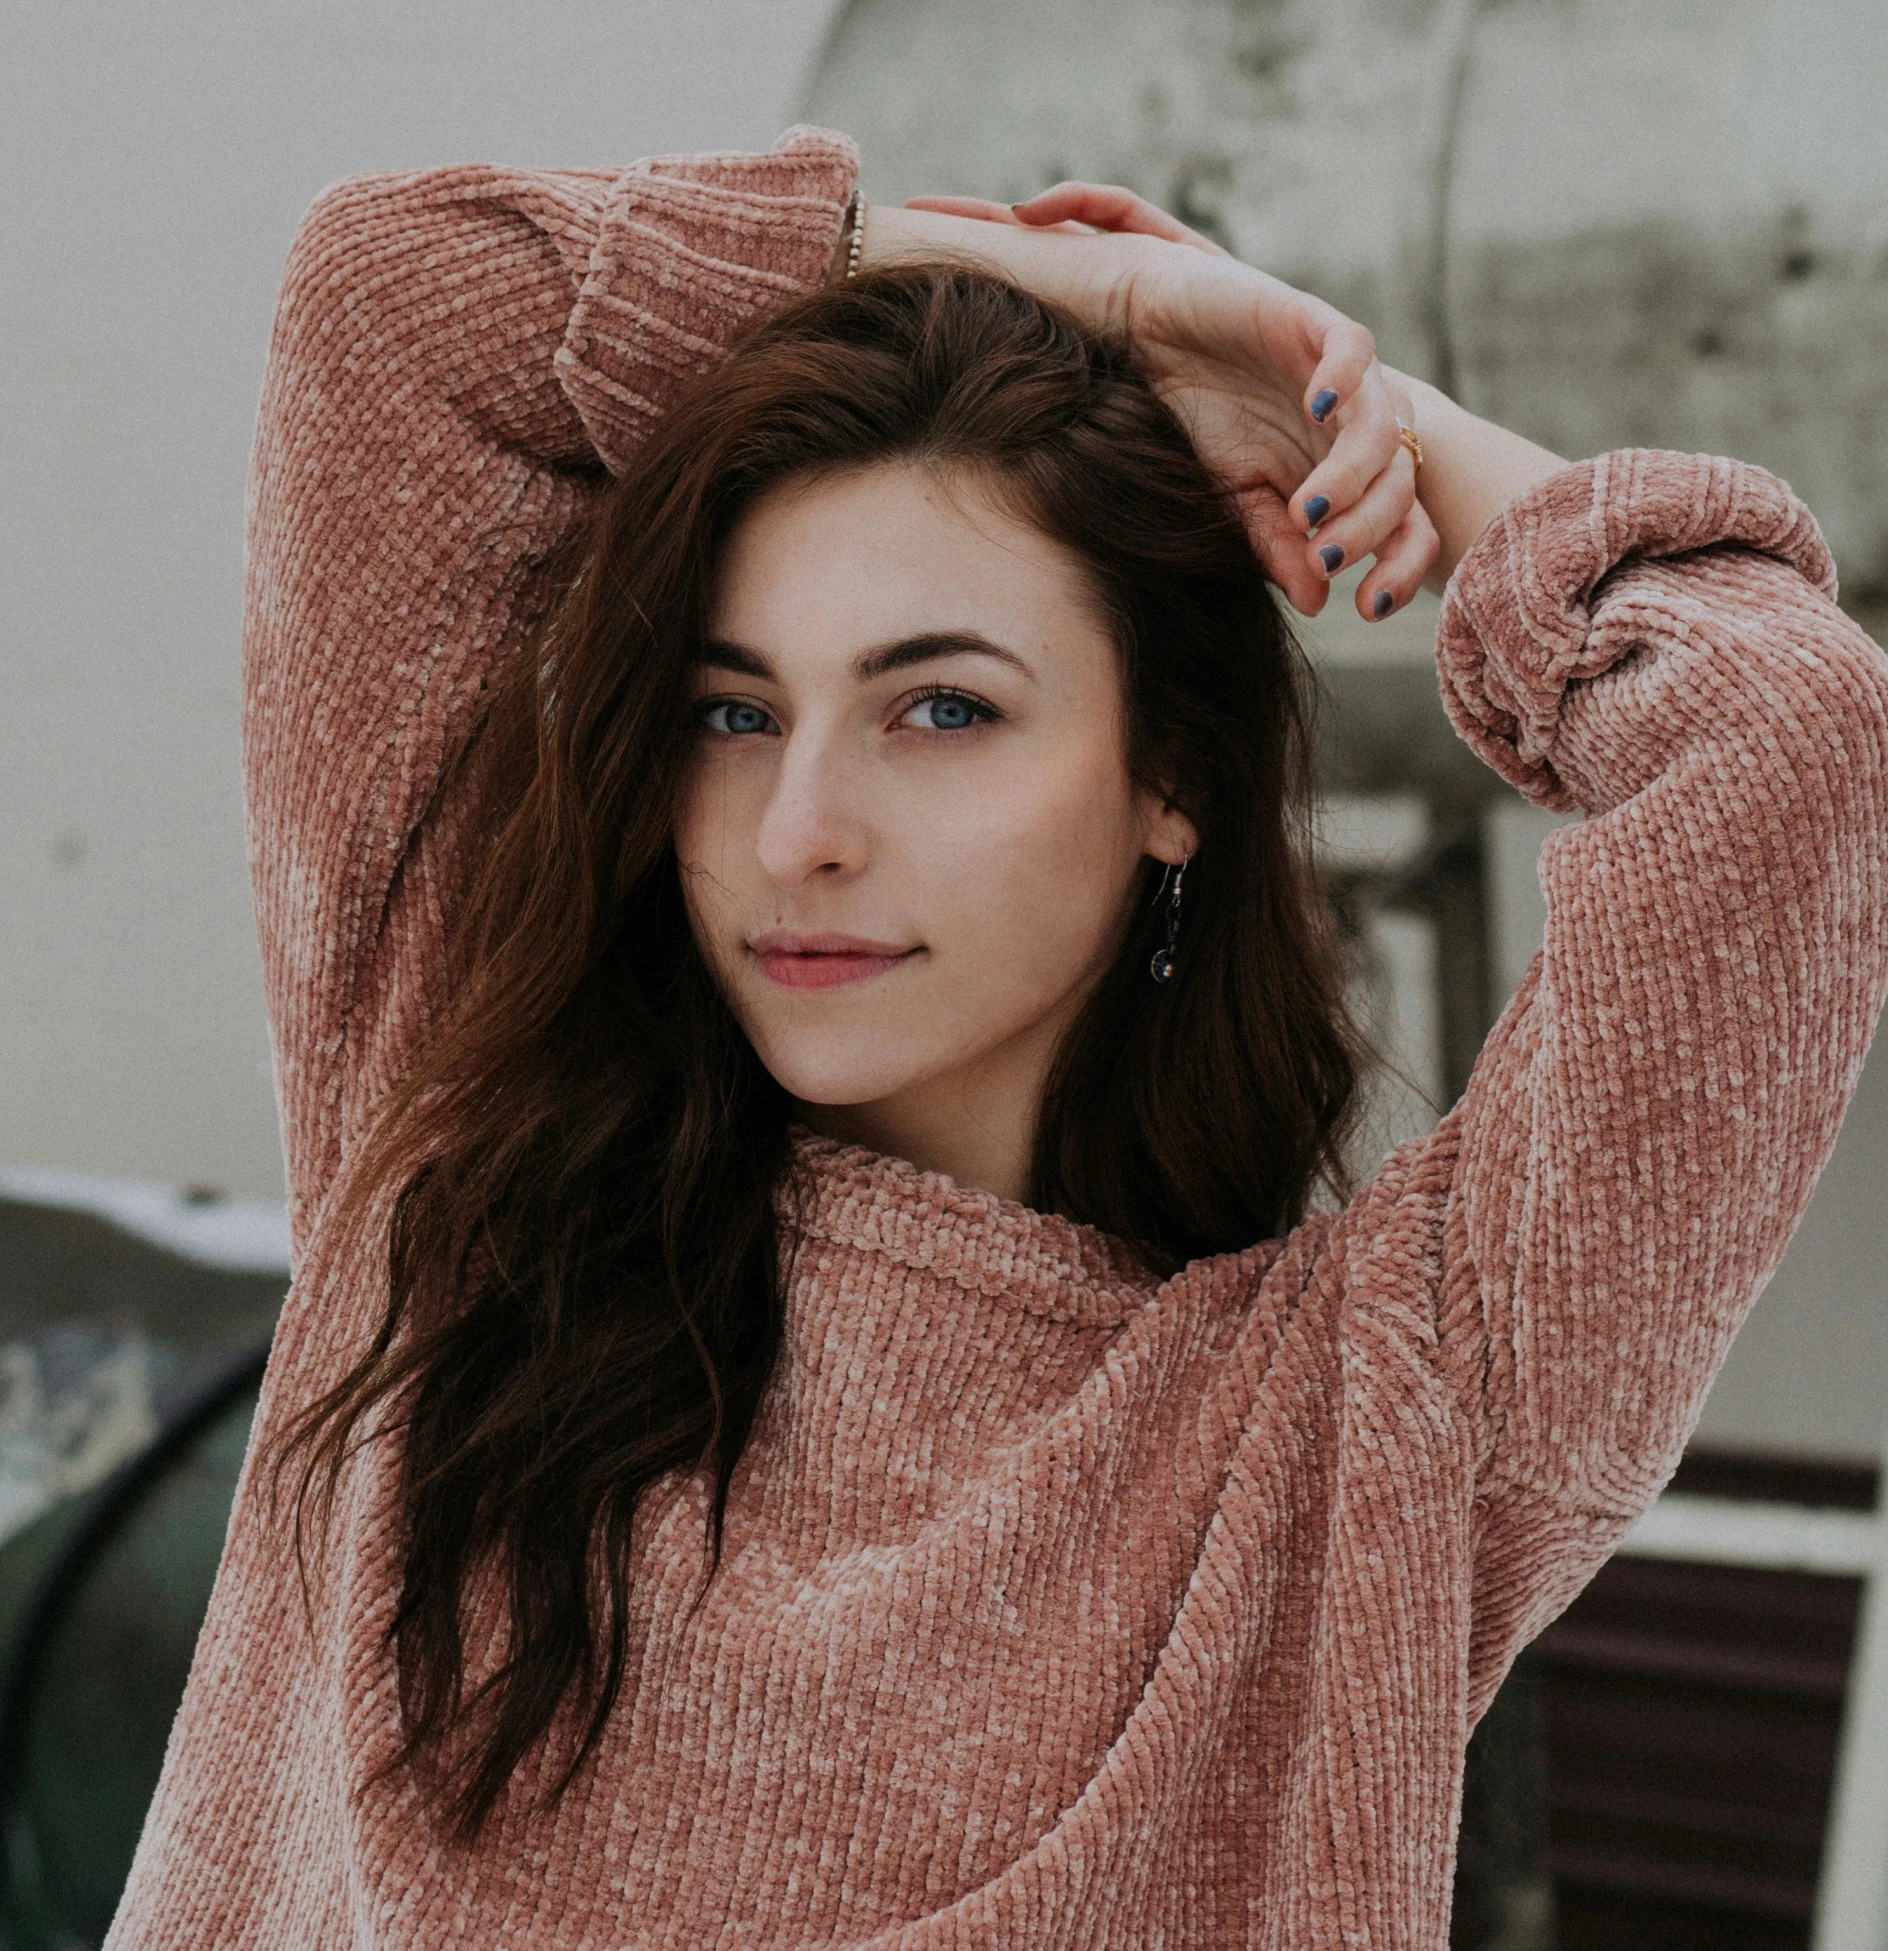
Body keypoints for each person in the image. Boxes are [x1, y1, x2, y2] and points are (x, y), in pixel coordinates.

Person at [106, 127, 1888, 1950]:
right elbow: (396, 297)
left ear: (1171, 778)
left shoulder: (1359, 1436)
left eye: (940, 706)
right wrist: (1079, 296)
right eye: (735, 712)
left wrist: (1373, 423)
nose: (799, 825)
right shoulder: (472, 1189)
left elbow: (1786, 730)